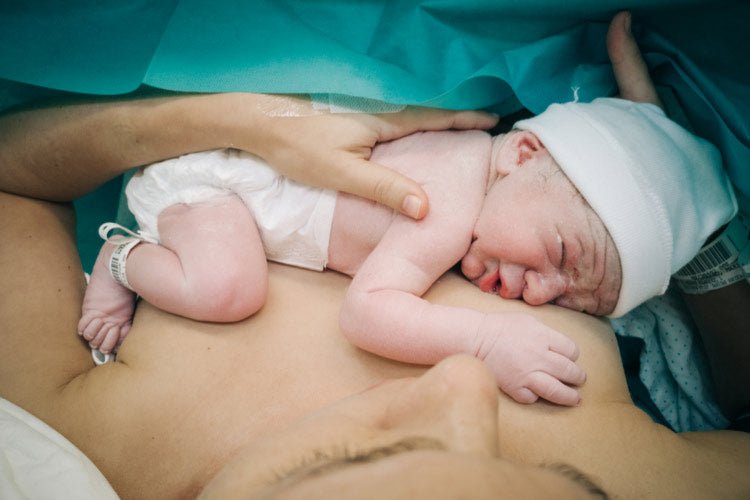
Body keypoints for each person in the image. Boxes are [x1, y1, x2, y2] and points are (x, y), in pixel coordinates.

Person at [1, 11, 748, 500]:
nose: (460, 383)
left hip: (207, 193)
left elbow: (14, 176)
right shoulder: (656, 483)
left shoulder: (105, 440)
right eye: (562, 482)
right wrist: (680, 212)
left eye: (347, 466)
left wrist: (234, 123)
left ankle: (124, 257)